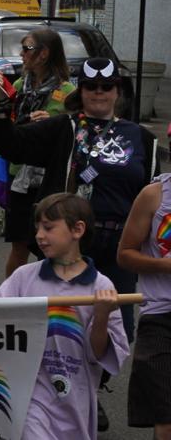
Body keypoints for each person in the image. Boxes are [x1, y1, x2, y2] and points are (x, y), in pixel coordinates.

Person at [0, 56, 158, 340]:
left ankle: (95, 379)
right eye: (91, 86)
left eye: (106, 86)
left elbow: (155, 196)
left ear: (117, 91)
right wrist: (3, 109)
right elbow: (12, 145)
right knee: (63, 324)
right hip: (73, 242)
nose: (99, 92)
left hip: (121, 247)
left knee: (118, 330)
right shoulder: (63, 128)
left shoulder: (141, 137)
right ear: (80, 91)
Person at [0, 193, 129, 440]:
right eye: (37, 228)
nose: (39, 236)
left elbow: (98, 354)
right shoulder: (25, 277)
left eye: (48, 227)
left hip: (76, 397)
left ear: (77, 229)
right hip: (31, 394)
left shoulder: (100, 285)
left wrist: (101, 316)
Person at [0, 29, 75, 277]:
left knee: (51, 246)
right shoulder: (18, 86)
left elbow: (76, 129)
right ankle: (11, 303)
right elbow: (6, 125)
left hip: (49, 178)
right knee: (19, 246)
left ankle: (51, 301)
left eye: (27, 49)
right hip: (19, 174)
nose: (21, 54)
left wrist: (54, 120)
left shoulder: (67, 92)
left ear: (43, 54)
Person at [118, 172, 171, 436]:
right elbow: (125, 254)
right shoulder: (154, 195)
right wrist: (162, 265)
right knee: (166, 414)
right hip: (161, 316)